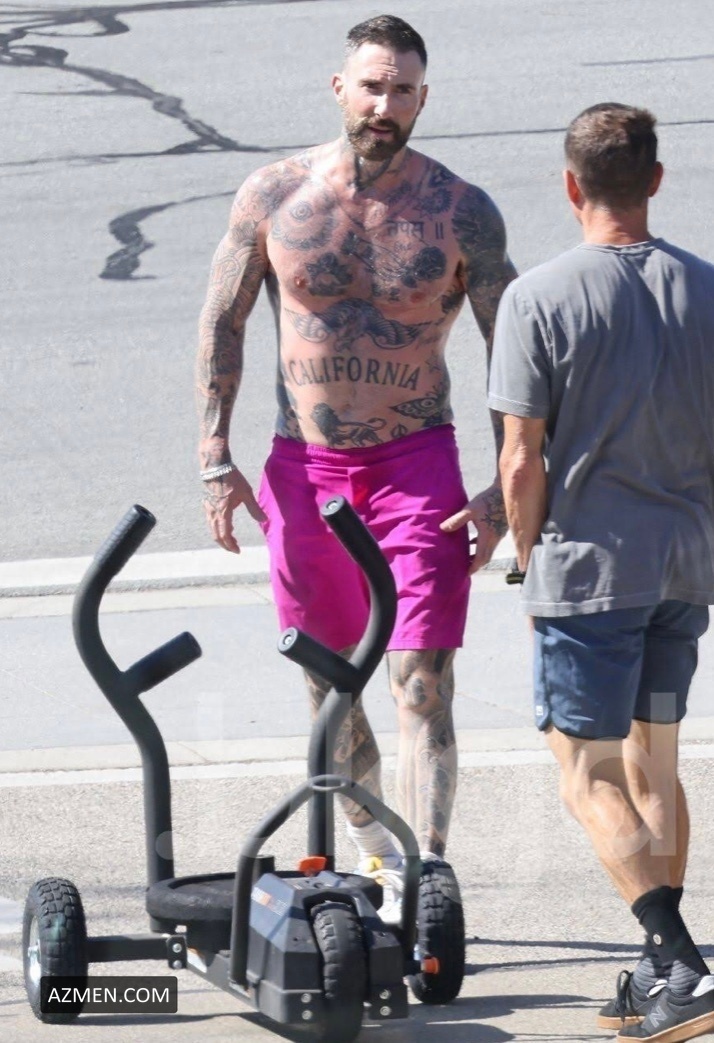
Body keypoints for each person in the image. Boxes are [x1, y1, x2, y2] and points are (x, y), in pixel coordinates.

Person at [196, 14, 516, 915]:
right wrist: (215, 454)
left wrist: (505, 486)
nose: (386, 105)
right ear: (341, 88)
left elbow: (515, 352)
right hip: (306, 468)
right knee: (331, 686)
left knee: (423, 681)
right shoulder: (273, 195)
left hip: (418, 468)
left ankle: (428, 875)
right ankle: (378, 851)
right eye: (372, 86)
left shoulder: (462, 211)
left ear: (423, 98)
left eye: (403, 90)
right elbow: (223, 319)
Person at [489, 102, 714, 1042]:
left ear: (570, 186)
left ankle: (680, 962)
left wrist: (525, 556)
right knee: (653, 761)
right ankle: (659, 972)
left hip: (588, 576)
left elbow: (519, 460)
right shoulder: (707, 286)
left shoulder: (536, 297)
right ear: (655, 180)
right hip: (685, 568)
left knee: (584, 772)